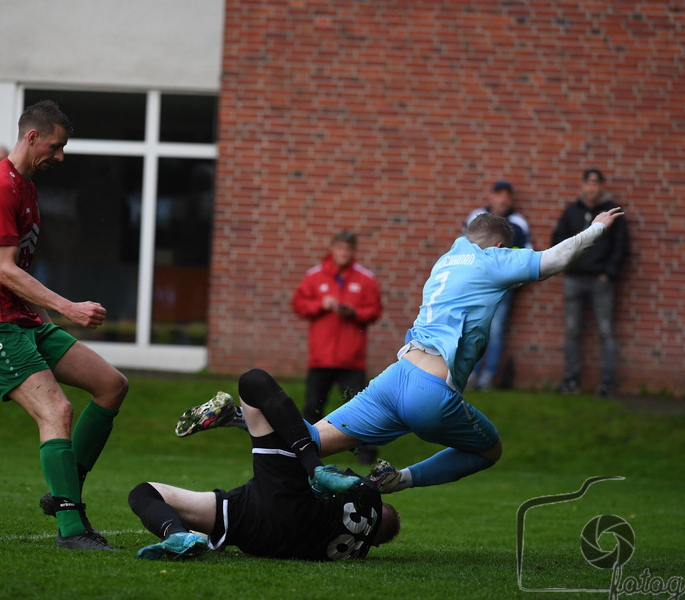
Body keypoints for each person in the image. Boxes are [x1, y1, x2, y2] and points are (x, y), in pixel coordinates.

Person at [182, 207, 625, 495]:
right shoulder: (493, 259)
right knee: (489, 451)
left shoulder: (446, 258)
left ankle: (234, 415)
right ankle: (396, 481)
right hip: (430, 390)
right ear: (500, 246)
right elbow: (555, 260)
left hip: (394, 377)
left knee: (311, 439)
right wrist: (597, 229)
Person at [0, 100, 129, 550]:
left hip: (25, 320)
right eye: (57, 146)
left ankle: (65, 485)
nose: (61, 156)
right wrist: (69, 308)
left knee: (111, 385)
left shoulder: (25, 185)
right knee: (57, 412)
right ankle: (71, 529)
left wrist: (48, 316)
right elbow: (6, 271)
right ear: (32, 138)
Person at [132, 368, 400, 561]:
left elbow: (331, 479)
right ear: (374, 543)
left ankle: (247, 423)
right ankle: (181, 536)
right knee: (144, 492)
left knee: (254, 381)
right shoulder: (358, 550)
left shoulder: (369, 495)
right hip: (264, 536)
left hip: (287, 502)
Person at [291, 230, 382, 463]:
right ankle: (304, 452)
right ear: (332, 249)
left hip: (351, 359)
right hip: (320, 358)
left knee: (360, 409)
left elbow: (374, 310)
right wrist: (320, 304)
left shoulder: (365, 278)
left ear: (353, 251)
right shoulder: (315, 276)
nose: (343, 252)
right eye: (340, 248)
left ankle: (367, 455)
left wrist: (354, 313)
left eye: (348, 249)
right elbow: (299, 304)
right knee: (312, 407)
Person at [551, 169, 630, 397]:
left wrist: (608, 273)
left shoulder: (613, 212)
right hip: (573, 279)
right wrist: (566, 266)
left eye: (596, 183)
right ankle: (571, 381)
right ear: (583, 185)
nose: (592, 187)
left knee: (605, 331)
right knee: (572, 331)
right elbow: (558, 239)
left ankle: (607, 384)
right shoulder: (571, 211)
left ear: (602, 186)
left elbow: (621, 246)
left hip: (600, 280)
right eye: (588, 182)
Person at [464, 180, 533, 391]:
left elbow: (525, 255)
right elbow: (464, 246)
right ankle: (470, 374)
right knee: (474, 328)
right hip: (477, 286)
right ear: (491, 196)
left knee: (495, 330)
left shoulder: (518, 223)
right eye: (498, 194)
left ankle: (488, 376)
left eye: (506, 195)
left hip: (503, 288)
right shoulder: (475, 217)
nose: (502, 199)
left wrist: (514, 280)